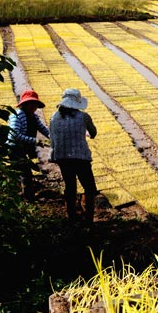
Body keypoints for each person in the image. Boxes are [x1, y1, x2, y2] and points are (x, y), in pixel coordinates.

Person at [49, 88, 98, 225]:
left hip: (62, 157)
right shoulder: (84, 117)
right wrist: (85, 133)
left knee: (70, 186)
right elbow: (93, 133)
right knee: (89, 188)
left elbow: (52, 137)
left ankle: (71, 217)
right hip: (80, 157)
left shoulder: (53, 117)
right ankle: (88, 219)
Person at [7, 89, 50, 199]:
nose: (33, 107)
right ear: (25, 104)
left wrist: (55, 138)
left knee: (24, 172)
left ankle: (24, 195)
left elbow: (44, 130)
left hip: (25, 148)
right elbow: (14, 135)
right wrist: (35, 141)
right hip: (15, 148)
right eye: (31, 104)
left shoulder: (33, 117)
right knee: (25, 173)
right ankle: (28, 197)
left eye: (35, 104)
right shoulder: (16, 116)